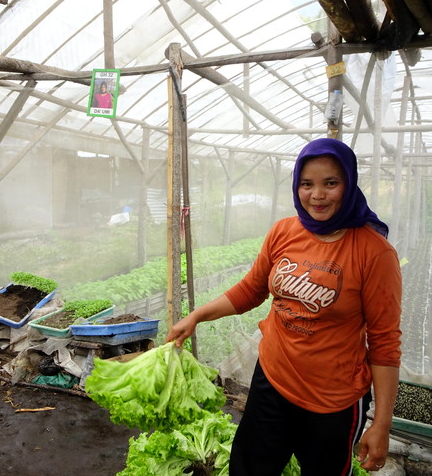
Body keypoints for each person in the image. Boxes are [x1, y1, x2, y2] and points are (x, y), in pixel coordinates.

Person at [166, 138, 402, 476]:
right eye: (307, 184)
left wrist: (381, 424)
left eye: (330, 183)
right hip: (272, 383)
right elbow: (251, 290)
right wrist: (196, 316)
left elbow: (385, 343)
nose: (317, 195)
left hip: (332, 402)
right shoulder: (284, 232)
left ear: (348, 185)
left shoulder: (373, 252)